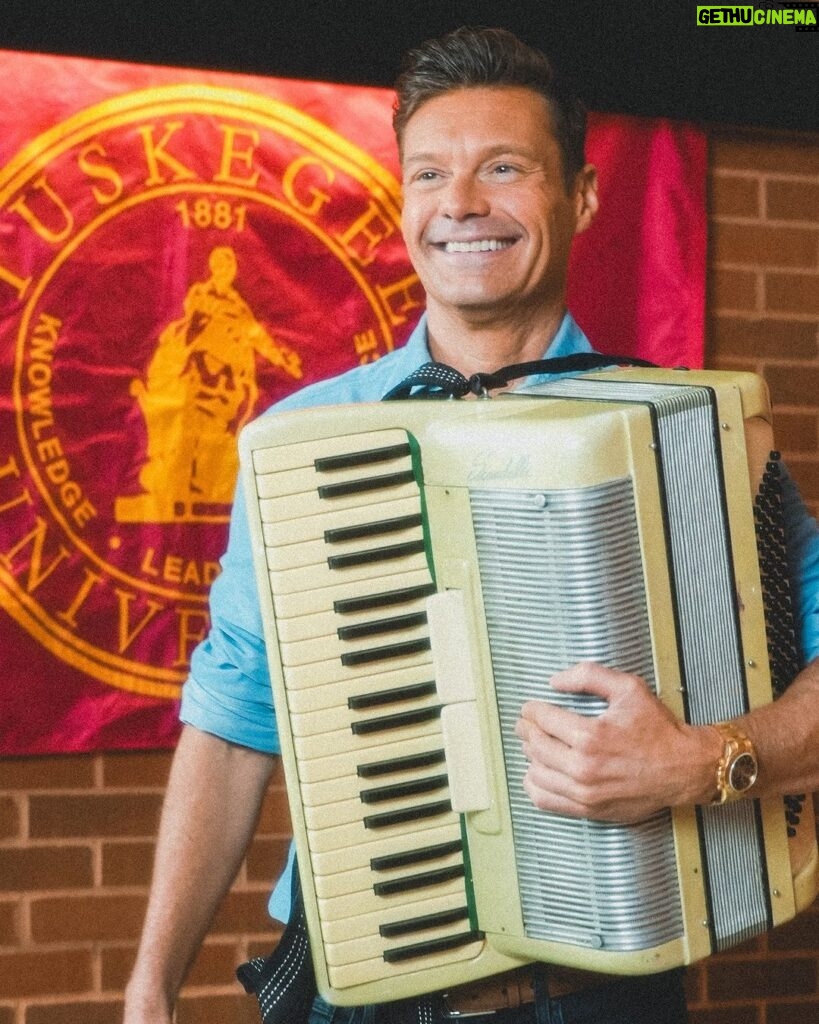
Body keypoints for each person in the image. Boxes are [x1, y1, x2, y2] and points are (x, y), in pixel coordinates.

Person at [123, 26, 819, 1024]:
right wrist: (151, 984)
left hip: (598, 995)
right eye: (430, 175)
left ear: (580, 197)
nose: (461, 205)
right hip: (353, 992)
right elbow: (234, 724)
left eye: (503, 169)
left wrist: (701, 760)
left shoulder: (688, 433)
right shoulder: (301, 439)